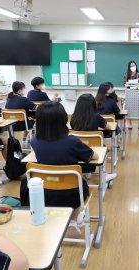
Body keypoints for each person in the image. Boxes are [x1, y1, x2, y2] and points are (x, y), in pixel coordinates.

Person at [31, 101, 99, 237]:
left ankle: (68, 218)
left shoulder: (34, 141)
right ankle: (73, 220)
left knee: (68, 180)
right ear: (63, 120)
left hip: (44, 191)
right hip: (71, 194)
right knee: (79, 180)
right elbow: (94, 156)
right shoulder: (72, 141)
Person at [70, 94, 117, 182]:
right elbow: (109, 127)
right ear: (93, 104)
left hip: (78, 147)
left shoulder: (74, 117)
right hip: (95, 147)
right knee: (104, 148)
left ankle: (87, 172)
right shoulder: (96, 116)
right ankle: (103, 175)